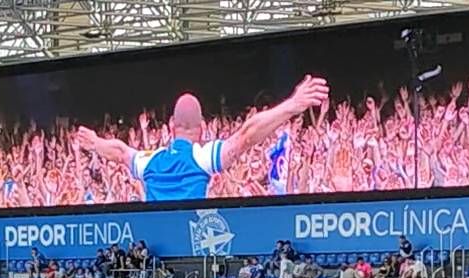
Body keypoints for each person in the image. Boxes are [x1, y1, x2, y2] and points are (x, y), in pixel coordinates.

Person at [74, 75, 331, 201]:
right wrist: (292, 105)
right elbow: (247, 135)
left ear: (171, 125)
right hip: (193, 247)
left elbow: (120, 152)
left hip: (154, 249)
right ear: (203, 128)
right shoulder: (202, 158)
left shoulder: (149, 161)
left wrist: (96, 142)